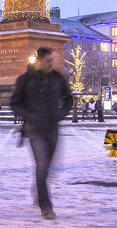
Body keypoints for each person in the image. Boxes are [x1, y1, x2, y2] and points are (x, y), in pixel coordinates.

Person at [11, 47, 73, 221]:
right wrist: (29, 115)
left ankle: (39, 190)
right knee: (42, 166)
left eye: (52, 60)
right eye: (48, 61)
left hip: (53, 129)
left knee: (47, 169)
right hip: (34, 130)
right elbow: (15, 103)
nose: (51, 64)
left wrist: (62, 113)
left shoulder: (57, 78)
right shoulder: (24, 80)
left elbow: (69, 98)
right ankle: (46, 207)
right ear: (38, 61)